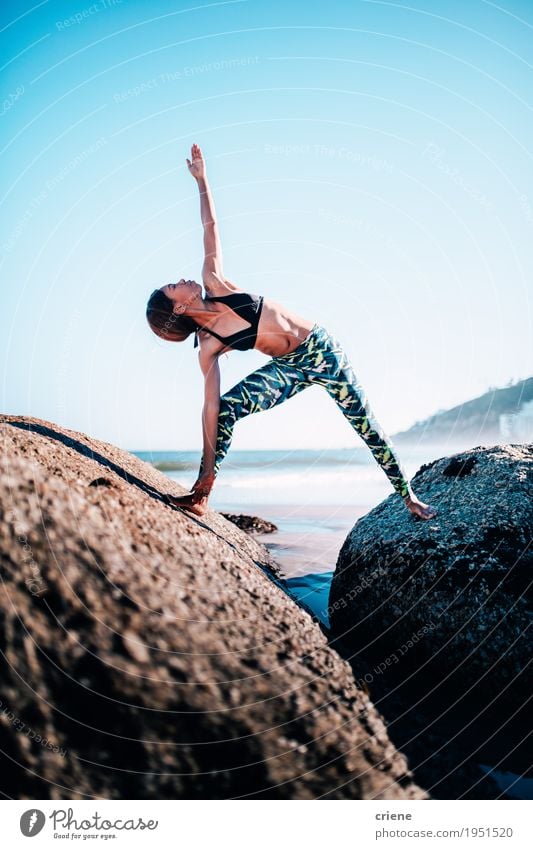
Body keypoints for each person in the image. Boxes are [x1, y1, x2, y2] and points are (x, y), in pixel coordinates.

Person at [146, 144, 437, 521]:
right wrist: (206, 466)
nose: (182, 279)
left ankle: (409, 498)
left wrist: (202, 180)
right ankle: (203, 492)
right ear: (179, 308)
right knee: (227, 410)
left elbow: (210, 228)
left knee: (367, 426)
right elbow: (211, 407)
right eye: (174, 286)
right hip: (290, 368)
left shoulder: (214, 282)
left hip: (322, 350)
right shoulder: (208, 346)